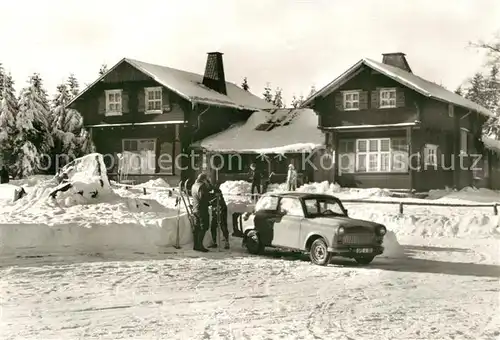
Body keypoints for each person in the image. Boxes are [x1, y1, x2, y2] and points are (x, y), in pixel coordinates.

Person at [190, 173, 211, 252]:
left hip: (195, 209)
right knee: (204, 227)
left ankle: (196, 245)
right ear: (204, 179)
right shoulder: (202, 186)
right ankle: (200, 245)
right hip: (202, 209)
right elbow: (203, 197)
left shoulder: (194, 185)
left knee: (197, 227)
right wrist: (212, 196)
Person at [208, 185, 230, 249]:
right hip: (216, 211)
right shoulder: (212, 193)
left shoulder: (217, 193)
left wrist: (219, 208)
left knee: (223, 226)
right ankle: (215, 242)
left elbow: (220, 202)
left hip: (221, 211)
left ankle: (226, 242)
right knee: (214, 227)